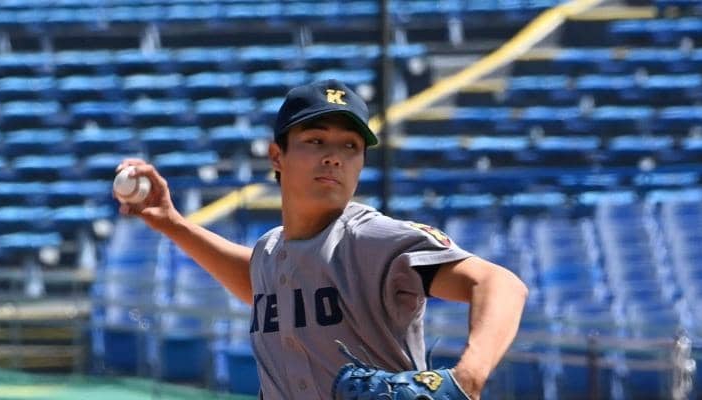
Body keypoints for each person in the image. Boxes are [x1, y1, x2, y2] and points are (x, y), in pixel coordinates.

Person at [116, 79, 528, 399]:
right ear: (277, 156)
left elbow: (501, 284)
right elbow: (261, 282)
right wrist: (173, 223)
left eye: (350, 146)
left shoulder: (372, 238)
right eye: (316, 140)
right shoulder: (272, 250)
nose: (334, 156)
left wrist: (468, 376)